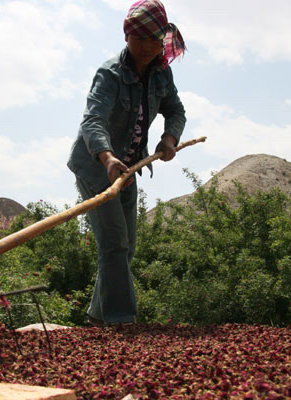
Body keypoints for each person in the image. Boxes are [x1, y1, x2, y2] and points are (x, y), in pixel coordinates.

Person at [67, 0, 186, 325]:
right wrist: (107, 157)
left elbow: (176, 110)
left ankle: (97, 316)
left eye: (153, 39)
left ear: (162, 38)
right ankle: (121, 322)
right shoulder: (110, 74)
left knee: (125, 247)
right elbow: (93, 120)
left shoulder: (162, 73)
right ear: (127, 37)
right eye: (139, 39)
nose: (146, 47)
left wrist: (169, 139)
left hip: (130, 167)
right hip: (96, 166)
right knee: (114, 244)